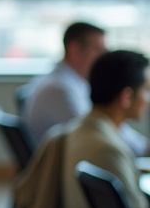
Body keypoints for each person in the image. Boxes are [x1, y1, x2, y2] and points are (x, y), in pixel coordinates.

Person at [59, 50, 150, 208]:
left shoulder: (83, 129)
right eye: (146, 90)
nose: (149, 99)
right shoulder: (108, 149)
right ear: (126, 97)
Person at [23, 23, 148, 155]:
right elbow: (95, 131)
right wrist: (143, 148)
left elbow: (107, 123)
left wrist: (142, 145)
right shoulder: (60, 89)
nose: (104, 58)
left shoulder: (74, 83)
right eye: (99, 50)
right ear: (75, 50)